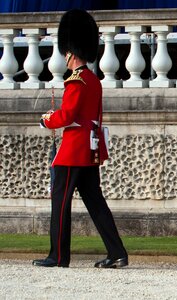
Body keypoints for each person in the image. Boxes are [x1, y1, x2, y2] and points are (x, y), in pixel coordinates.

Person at [33, 9, 128, 269]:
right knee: (95, 202)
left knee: (60, 202)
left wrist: (47, 120)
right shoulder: (93, 80)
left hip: (74, 149)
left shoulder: (76, 81)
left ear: (71, 53)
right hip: (89, 149)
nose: (64, 56)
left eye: (65, 52)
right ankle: (117, 252)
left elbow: (69, 114)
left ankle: (58, 256)